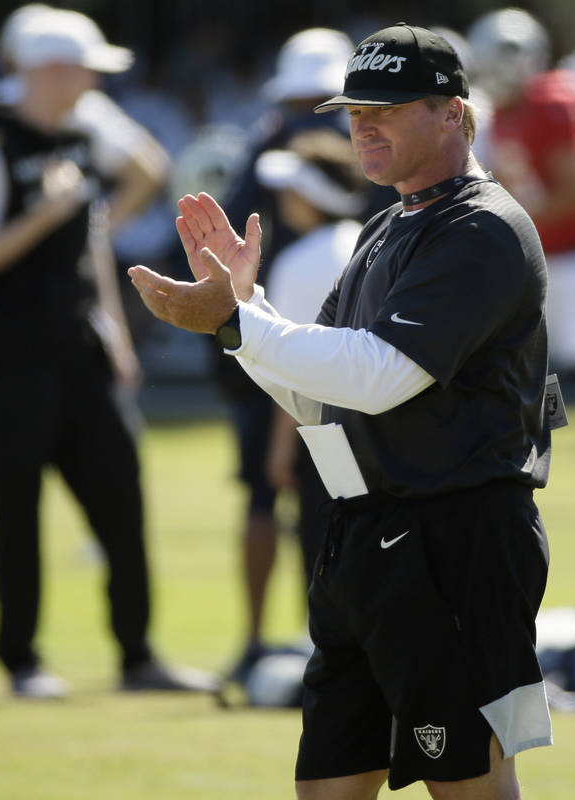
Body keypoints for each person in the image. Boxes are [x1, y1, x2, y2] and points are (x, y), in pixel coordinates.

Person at [130, 23, 553, 798]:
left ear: (453, 113)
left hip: (455, 544)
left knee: (470, 783)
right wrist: (246, 313)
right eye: (355, 109)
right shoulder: (388, 224)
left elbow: (383, 376)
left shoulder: (481, 227)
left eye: (387, 109)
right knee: (327, 786)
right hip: (364, 541)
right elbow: (320, 390)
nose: (362, 124)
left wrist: (237, 321)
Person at [0, 8, 210, 698]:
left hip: (81, 348)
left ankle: (138, 655)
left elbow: (92, 237)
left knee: (122, 496)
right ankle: (22, 662)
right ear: (47, 71)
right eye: (83, 67)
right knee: (17, 512)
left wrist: (114, 327)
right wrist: (45, 214)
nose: (93, 80)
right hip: (13, 353)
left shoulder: (84, 135)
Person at [206, 27, 357, 683]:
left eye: (322, 100)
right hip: (298, 383)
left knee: (337, 515)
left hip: (308, 391)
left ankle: (331, 648)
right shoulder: (283, 156)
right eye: (304, 101)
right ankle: (284, 645)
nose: (311, 115)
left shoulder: (364, 168)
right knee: (311, 510)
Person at [466, 9, 575, 487]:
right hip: (543, 254)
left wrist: (510, 223)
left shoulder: (552, 102)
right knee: (540, 360)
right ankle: (542, 440)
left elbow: (574, 195)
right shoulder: (504, 112)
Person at [246, 128, 366, 669]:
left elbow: (288, 362)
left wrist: (280, 448)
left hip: (320, 433)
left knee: (321, 547)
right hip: (373, 428)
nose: (284, 200)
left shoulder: (300, 261)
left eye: (293, 190)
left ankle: (329, 657)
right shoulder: (370, 240)